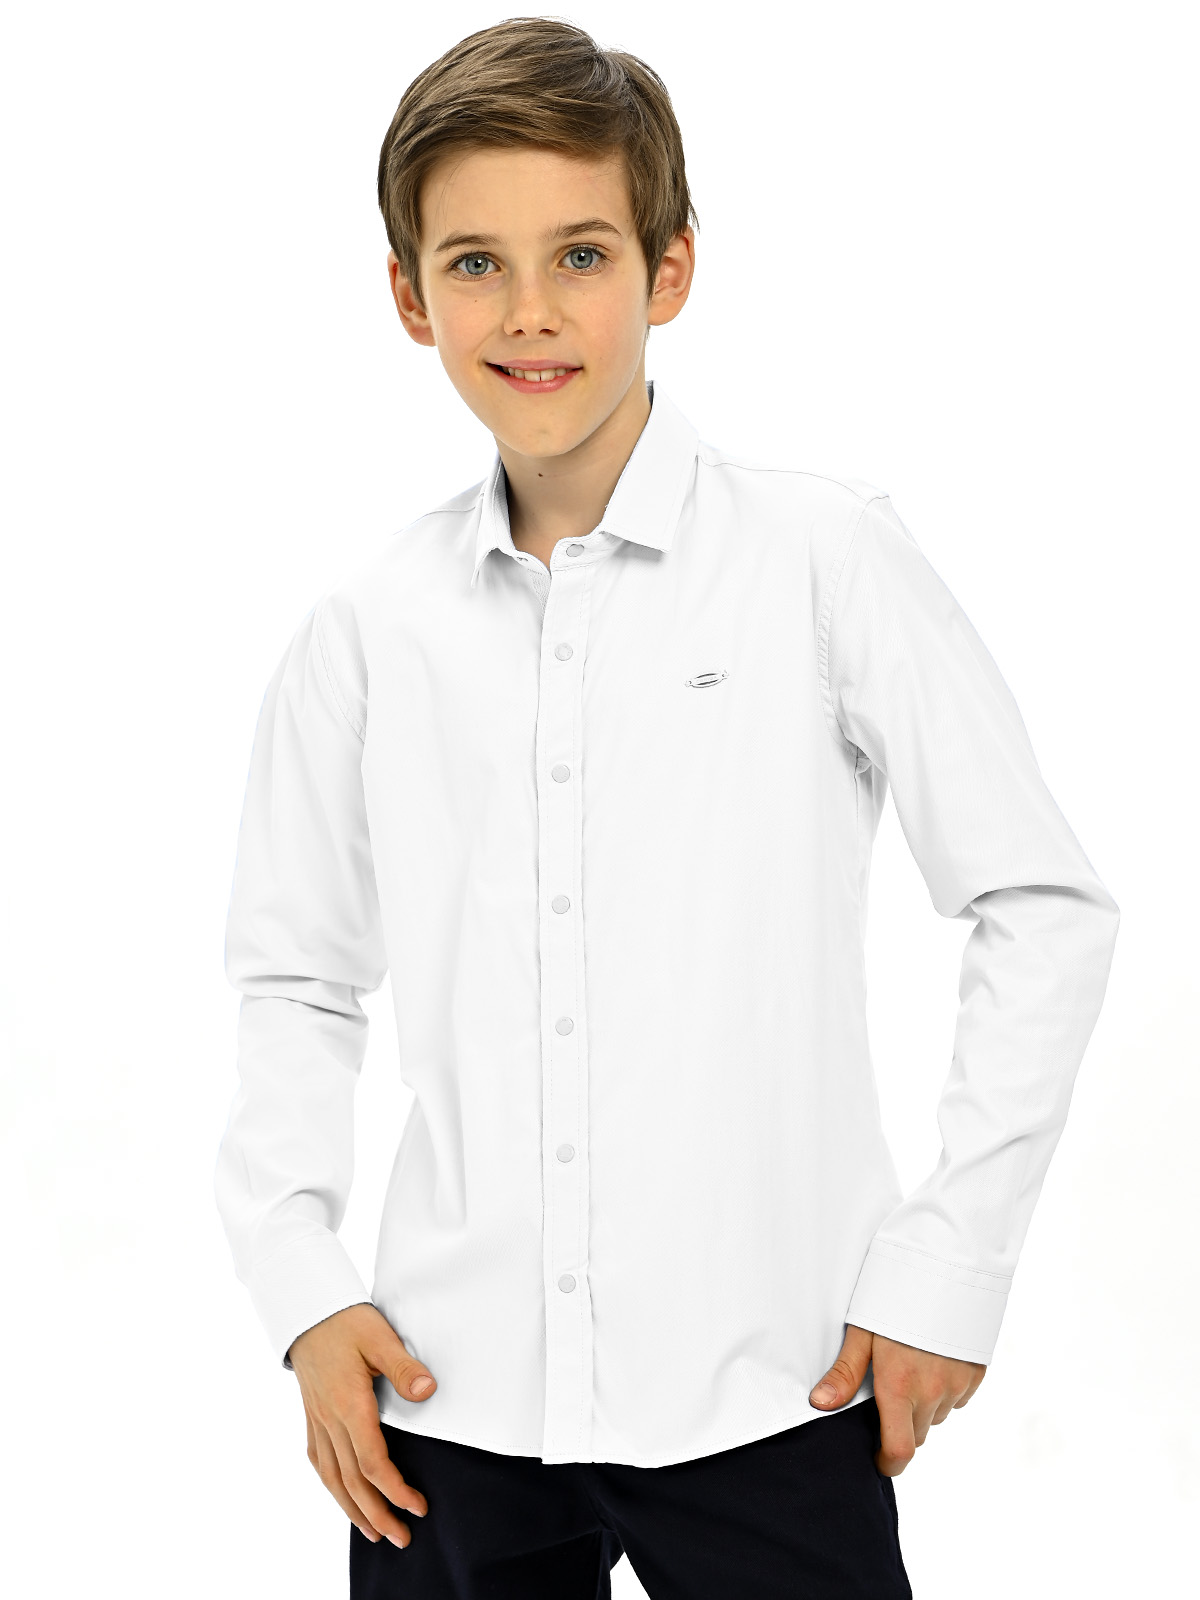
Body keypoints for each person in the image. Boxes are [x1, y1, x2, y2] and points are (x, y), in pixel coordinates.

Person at [213, 17, 1120, 1599]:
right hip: (448, 1404)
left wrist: (947, 1267)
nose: (532, 311)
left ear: (671, 268)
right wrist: (304, 1289)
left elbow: (1040, 905)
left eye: (581, 253)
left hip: (774, 1388)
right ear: (409, 296)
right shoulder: (367, 630)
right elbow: (296, 974)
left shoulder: (822, 561)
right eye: (476, 264)